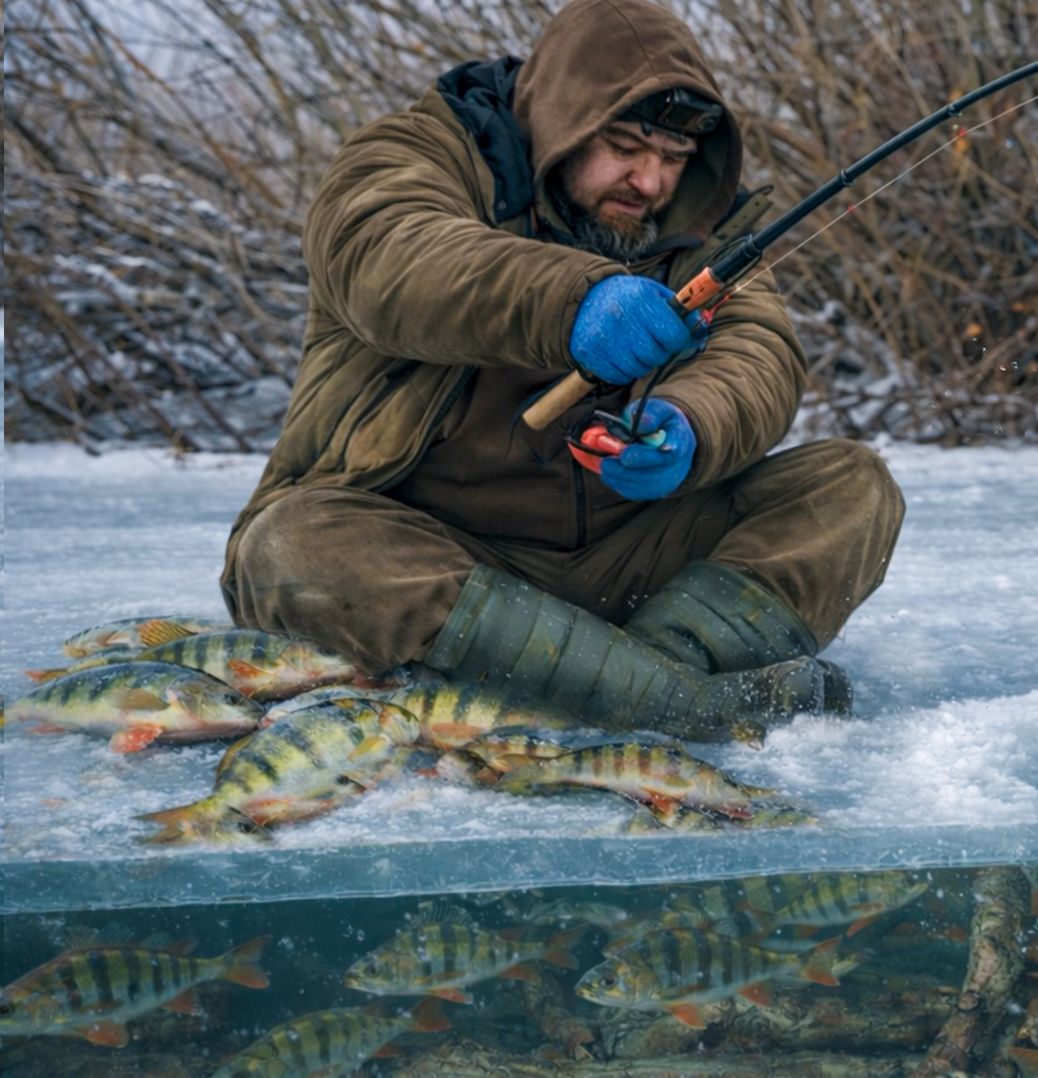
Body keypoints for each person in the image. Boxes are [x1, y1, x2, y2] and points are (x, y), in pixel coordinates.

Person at [220, 0, 904, 740]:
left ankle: (626, 676)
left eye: (673, 160)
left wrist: (692, 429)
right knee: (292, 547)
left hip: (627, 558)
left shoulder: (705, 222)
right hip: (437, 547)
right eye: (625, 147)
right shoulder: (414, 155)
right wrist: (575, 301)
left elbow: (756, 350)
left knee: (849, 488)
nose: (649, 183)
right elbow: (388, 255)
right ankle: (684, 707)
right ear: (563, 120)